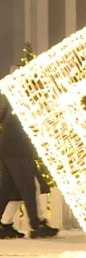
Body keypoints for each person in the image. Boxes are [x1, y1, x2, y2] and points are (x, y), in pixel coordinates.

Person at [0, 92, 59, 239]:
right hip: (19, 148)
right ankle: (37, 224)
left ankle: (4, 224)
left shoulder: (16, 100)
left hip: (9, 147)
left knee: (10, 188)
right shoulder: (32, 101)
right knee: (29, 187)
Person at [0, 168, 50, 239]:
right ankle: (38, 224)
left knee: (11, 184)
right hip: (19, 157)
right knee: (30, 184)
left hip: (12, 157)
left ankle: (5, 224)